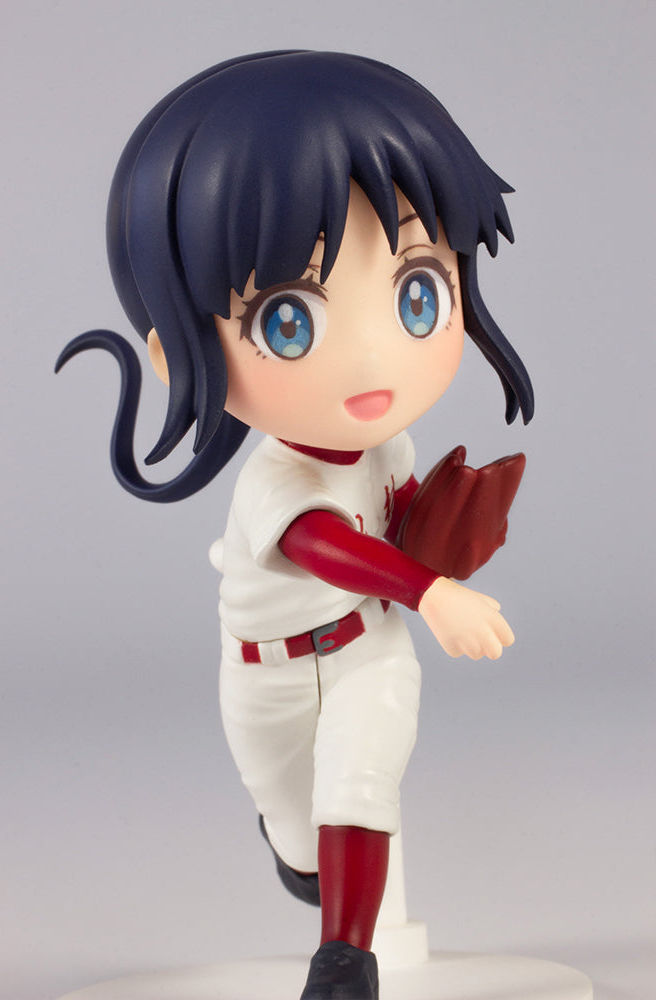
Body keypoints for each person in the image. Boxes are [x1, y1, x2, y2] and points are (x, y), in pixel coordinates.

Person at [57, 50, 534, 1000]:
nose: (370, 357)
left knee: (360, 785)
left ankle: (344, 960)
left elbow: (392, 517)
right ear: (173, 354)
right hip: (264, 676)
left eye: (416, 293)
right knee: (297, 826)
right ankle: (299, 859)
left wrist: (448, 524)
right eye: (289, 320)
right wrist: (431, 590)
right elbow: (328, 548)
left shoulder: (386, 443)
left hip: (366, 649)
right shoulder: (276, 479)